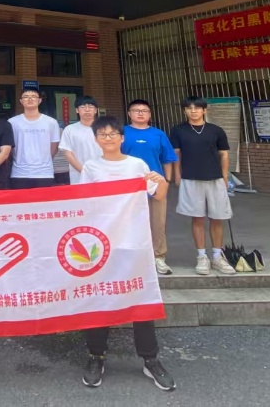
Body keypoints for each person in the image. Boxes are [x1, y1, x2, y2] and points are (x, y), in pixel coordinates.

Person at [77, 116, 175, 392]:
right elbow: (82, 202)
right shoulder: (91, 167)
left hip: (134, 241)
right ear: (96, 139)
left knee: (141, 299)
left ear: (122, 138)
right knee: (99, 298)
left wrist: (161, 180)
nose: (108, 138)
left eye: (112, 134)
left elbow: (159, 195)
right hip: (101, 244)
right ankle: (96, 356)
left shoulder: (136, 164)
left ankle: (150, 359)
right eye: (102, 134)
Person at [170, 96, 237, 276]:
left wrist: (225, 176)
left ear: (204, 110)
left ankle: (217, 256)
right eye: (189, 108)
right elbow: (177, 155)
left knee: (217, 217)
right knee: (197, 218)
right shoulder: (178, 130)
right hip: (190, 178)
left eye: (197, 108)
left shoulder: (216, 130)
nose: (193, 111)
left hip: (215, 178)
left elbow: (224, 154)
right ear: (184, 111)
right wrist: (177, 175)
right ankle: (202, 257)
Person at [123, 100, 179, 275]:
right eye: (136, 110)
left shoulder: (158, 134)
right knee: (130, 222)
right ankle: (133, 258)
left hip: (155, 185)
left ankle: (158, 256)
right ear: (129, 113)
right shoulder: (121, 133)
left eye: (144, 110)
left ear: (149, 114)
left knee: (157, 222)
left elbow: (167, 159)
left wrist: (167, 181)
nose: (140, 113)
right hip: (129, 186)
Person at [8, 89, 61, 189]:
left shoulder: (51, 122)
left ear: (39, 100)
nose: (30, 99)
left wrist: (44, 160)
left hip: (44, 173)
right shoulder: (12, 122)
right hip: (19, 173)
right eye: (26, 97)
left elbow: (54, 146)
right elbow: (9, 147)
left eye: (33, 96)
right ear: (21, 101)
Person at [59, 96, 102, 185]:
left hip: (102, 174)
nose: (87, 110)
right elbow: (68, 153)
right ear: (77, 110)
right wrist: (84, 172)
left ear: (95, 110)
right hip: (78, 176)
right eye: (83, 107)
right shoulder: (69, 129)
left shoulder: (104, 129)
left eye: (91, 107)